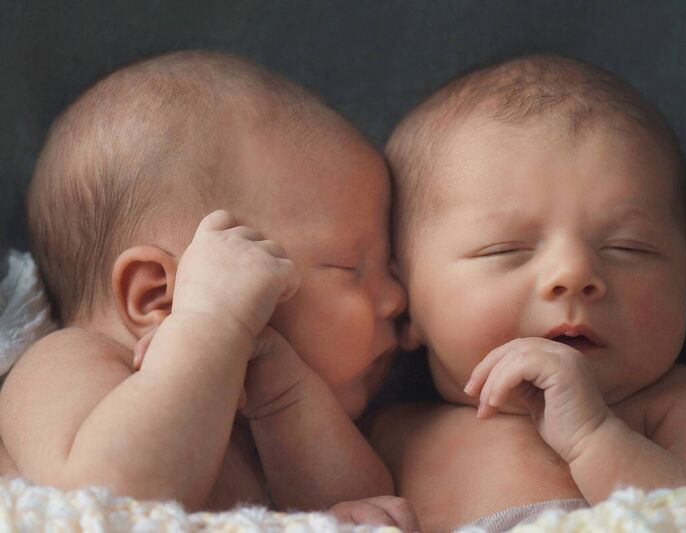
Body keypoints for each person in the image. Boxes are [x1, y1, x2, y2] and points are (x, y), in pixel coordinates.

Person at [0, 50, 418, 531]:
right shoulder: (67, 364)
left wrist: (285, 397)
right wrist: (210, 324)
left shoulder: (264, 414)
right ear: (157, 295)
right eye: (349, 266)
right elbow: (111, 502)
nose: (397, 298)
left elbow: (365, 501)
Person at [370, 54, 686, 532]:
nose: (574, 273)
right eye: (504, 250)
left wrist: (594, 437)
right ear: (405, 307)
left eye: (627, 248)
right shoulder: (391, 432)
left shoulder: (673, 403)